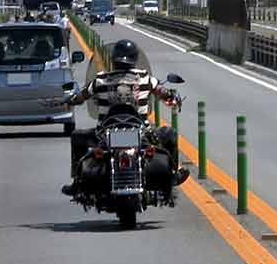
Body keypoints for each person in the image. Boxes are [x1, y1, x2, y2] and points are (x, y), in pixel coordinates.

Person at [62, 37, 188, 199]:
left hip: (105, 133)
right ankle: (173, 176)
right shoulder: (144, 77)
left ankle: (76, 182)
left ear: (114, 59)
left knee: (77, 137)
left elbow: (80, 97)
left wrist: (69, 100)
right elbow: (163, 93)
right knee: (169, 133)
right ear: (134, 59)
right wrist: (173, 96)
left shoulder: (100, 80)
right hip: (142, 133)